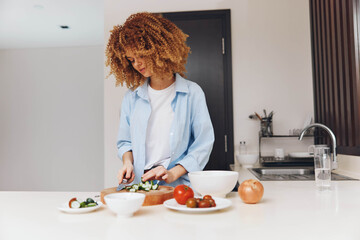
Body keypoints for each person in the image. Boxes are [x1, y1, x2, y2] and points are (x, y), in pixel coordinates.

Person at [105, 12, 214, 187]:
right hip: (138, 187)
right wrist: (127, 163)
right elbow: (125, 142)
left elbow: (203, 144)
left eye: (141, 55)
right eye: (131, 59)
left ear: (158, 50)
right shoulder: (131, 98)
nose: (137, 64)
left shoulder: (193, 93)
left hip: (177, 188)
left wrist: (172, 173)